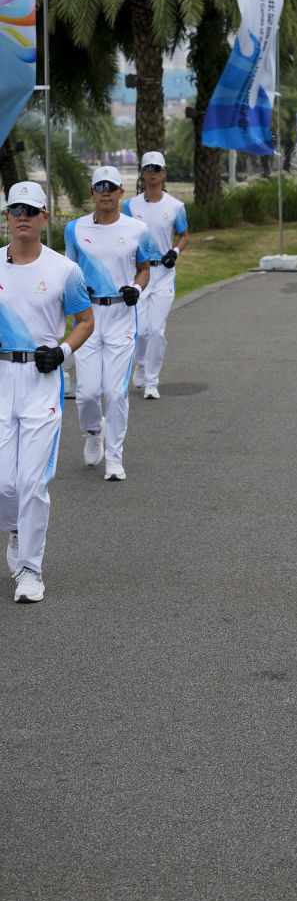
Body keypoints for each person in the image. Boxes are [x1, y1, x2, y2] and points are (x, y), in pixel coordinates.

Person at [0, 180, 94, 602]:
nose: (22, 216)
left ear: (44, 217)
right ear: (7, 217)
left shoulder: (63, 270)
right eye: (15, 209)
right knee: (4, 483)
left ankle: (31, 571)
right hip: (1, 379)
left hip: (41, 381)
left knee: (32, 481)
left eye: (30, 210)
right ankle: (17, 527)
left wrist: (61, 352)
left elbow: (86, 321)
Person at [64, 165, 153, 481]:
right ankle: (92, 430)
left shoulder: (136, 229)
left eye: (111, 187)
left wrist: (137, 289)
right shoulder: (74, 229)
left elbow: (144, 268)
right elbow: (69, 272)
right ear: (92, 192)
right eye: (99, 186)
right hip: (87, 320)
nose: (105, 191)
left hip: (120, 318)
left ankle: (115, 458)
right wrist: (77, 292)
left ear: (120, 193)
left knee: (115, 393)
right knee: (87, 393)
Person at [123, 151, 188, 400]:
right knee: (140, 330)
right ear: (142, 173)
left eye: (156, 169)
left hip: (163, 272)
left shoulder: (175, 206)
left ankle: (152, 381)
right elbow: (125, 235)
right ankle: (141, 362)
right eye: (148, 168)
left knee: (156, 330)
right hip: (140, 272)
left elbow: (184, 235)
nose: (152, 173)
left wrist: (174, 251)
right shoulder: (131, 206)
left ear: (164, 173)